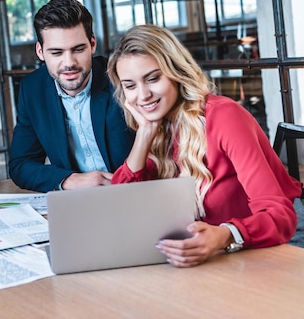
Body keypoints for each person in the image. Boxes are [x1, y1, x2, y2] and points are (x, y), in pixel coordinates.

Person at [107, 24, 302, 267]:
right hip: (201, 266)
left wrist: (223, 235)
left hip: (255, 257)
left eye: (153, 78)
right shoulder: (158, 128)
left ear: (176, 72)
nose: (143, 95)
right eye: (130, 86)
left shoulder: (224, 116)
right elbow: (119, 207)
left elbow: (280, 217)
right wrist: (145, 134)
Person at [9, 0, 134, 192]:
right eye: (56, 52)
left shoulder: (122, 78)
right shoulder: (32, 90)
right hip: (78, 201)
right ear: (40, 51)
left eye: (78, 49)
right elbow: (20, 164)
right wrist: (70, 180)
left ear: (92, 44)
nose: (69, 63)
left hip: (134, 193)